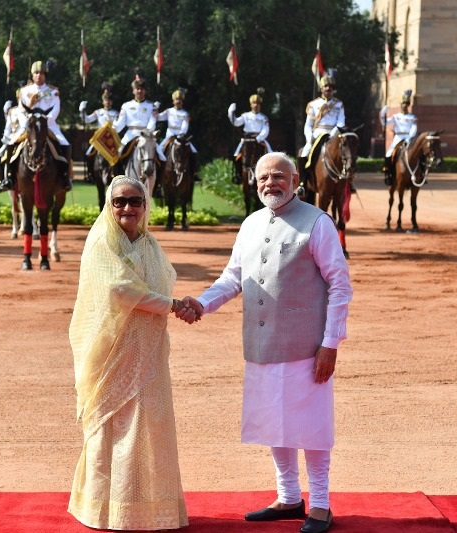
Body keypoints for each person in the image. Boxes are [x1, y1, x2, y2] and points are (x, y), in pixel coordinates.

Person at [178, 152, 353, 533]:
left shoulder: (317, 223)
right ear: (254, 182)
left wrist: (331, 343)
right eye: (263, 178)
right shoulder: (251, 224)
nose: (270, 183)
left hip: (307, 346)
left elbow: (340, 285)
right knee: (275, 423)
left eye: (278, 176)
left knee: (311, 425)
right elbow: (233, 278)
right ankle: (289, 497)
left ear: (295, 180)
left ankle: (320, 504)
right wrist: (202, 303)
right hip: (261, 343)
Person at [67, 174, 189, 531]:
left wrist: (174, 304)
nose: (127, 208)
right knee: (114, 425)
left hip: (149, 349)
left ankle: (149, 510)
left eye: (135, 201)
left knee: (151, 423)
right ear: (109, 205)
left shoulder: (150, 244)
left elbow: (165, 277)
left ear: (145, 205)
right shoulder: (103, 241)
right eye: (119, 201)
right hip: (112, 351)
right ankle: (106, 511)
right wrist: (173, 305)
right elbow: (120, 289)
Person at [16, 60, 73, 191]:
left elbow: (56, 108)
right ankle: (8, 177)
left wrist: (45, 120)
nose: (38, 75)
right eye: (36, 73)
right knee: (11, 143)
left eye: (41, 73)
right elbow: (20, 109)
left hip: (48, 124)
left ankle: (65, 178)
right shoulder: (25, 91)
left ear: (45, 75)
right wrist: (26, 123)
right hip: (29, 125)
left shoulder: (53, 92)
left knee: (65, 144)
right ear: (32, 75)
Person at [298, 75, 345, 192]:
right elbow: (308, 124)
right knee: (304, 152)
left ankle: (348, 180)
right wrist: (309, 138)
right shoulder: (313, 104)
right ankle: (303, 183)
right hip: (317, 133)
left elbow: (341, 122)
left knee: (347, 153)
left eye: (330, 86)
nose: (328, 88)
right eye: (325, 86)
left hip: (334, 134)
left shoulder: (339, 104)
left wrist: (332, 135)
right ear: (321, 88)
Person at [113, 72, 165, 169]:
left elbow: (152, 121)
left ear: (144, 91)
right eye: (137, 89)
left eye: (141, 89)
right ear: (133, 91)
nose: (139, 91)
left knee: (161, 156)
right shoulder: (126, 106)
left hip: (146, 135)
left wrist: (147, 132)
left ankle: (159, 182)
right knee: (118, 154)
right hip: (130, 134)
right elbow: (120, 124)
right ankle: (117, 179)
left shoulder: (151, 106)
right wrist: (113, 127)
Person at [228, 89, 271, 184]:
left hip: (259, 139)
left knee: (270, 156)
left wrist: (259, 138)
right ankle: (238, 175)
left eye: (258, 103)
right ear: (251, 104)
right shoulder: (246, 116)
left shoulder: (264, 118)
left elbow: (266, 130)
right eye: (254, 103)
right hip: (246, 140)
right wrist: (231, 112)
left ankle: (270, 176)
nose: (256, 105)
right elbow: (236, 122)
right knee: (236, 156)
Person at [157, 87, 200, 181]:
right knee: (159, 150)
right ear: (173, 101)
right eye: (177, 99)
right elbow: (159, 117)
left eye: (180, 100)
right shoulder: (168, 111)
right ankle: (158, 172)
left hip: (181, 137)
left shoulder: (185, 114)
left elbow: (185, 125)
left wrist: (181, 135)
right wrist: (155, 109)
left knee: (194, 151)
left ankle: (194, 172)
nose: (178, 101)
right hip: (170, 136)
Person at [79, 82, 119, 183]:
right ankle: (90, 174)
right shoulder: (98, 112)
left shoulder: (116, 113)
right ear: (103, 102)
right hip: (100, 139)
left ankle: (120, 173)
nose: (108, 102)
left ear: (112, 102)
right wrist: (82, 111)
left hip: (112, 139)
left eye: (109, 100)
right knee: (89, 153)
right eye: (106, 100)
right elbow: (86, 120)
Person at [380, 90, 418, 185]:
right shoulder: (396, 116)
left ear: (408, 105)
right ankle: (387, 171)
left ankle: (421, 174)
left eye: (406, 103)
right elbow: (385, 123)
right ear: (401, 105)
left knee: (419, 153)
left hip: (409, 137)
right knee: (389, 153)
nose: (405, 105)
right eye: (403, 103)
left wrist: (409, 137)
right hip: (398, 136)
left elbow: (414, 128)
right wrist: (382, 113)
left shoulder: (412, 117)